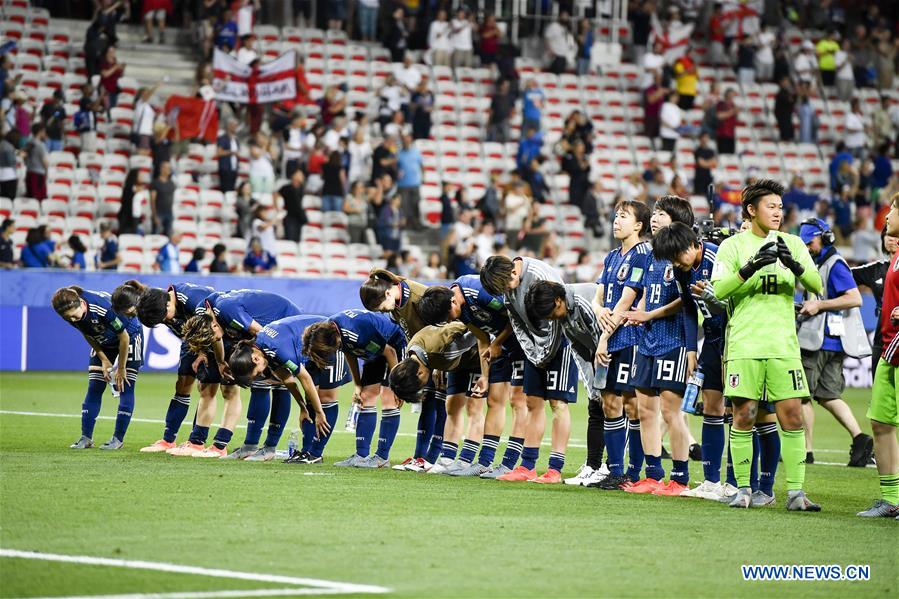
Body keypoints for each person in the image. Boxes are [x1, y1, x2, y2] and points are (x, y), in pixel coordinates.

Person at [710, 179, 824, 511]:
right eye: (770, 206)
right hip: (745, 344)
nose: (777, 212)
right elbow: (719, 292)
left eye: (779, 206)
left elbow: (816, 284)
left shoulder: (792, 243)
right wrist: (751, 267)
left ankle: (796, 493)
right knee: (743, 415)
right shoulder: (733, 246)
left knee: (792, 417)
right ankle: (743, 489)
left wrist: (795, 264)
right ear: (751, 210)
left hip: (783, 345)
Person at [616, 197, 698, 496]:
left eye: (661, 214)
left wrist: (649, 313)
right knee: (644, 410)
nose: (654, 218)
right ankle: (652, 474)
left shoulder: (682, 257)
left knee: (670, 412)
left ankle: (679, 478)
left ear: (677, 221)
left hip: (673, 340)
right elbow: (638, 293)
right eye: (655, 213)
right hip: (646, 340)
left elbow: (687, 300)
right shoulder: (646, 255)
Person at [480, 255, 579, 484]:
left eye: (506, 286)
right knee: (533, 403)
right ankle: (527, 466)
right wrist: (532, 352)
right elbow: (516, 322)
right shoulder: (507, 283)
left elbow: (557, 319)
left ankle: (555, 469)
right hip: (535, 350)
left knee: (558, 404)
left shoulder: (540, 277)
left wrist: (544, 354)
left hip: (561, 343)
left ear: (513, 273)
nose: (506, 291)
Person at [652, 222, 733, 501]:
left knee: (736, 408)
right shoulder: (681, 269)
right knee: (711, 406)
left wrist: (727, 349)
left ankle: (736, 483)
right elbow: (688, 306)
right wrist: (690, 349)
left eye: (677, 256)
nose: (675, 263)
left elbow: (732, 301)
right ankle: (711, 481)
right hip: (709, 338)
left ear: (692, 245)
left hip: (733, 338)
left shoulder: (717, 257)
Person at [114, 282, 242, 457]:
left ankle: (199, 441)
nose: (166, 321)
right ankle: (168, 440)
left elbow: (213, 329)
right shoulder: (159, 304)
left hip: (216, 339)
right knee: (182, 385)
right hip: (193, 341)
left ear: (168, 304)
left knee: (209, 388)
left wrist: (205, 352)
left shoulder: (193, 299)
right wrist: (198, 350)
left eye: (164, 318)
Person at [417, 277, 528, 478]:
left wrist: (498, 342)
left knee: (517, 400)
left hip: (524, 343)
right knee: (494, 400)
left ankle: (510, 464)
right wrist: (485, 375)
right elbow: (482, 338)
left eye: (449, 317)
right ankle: (484, 462)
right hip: (500, 346)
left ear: (452, 301)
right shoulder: (460, 309)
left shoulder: (480, 291)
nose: (451, 321)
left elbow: (516, 314)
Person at [182, 290, 303, 461]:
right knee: (259, 381)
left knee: (274, 382)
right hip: (265, 326)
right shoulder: (205, 313)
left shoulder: (228, 310)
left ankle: (269, 447)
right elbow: (216, 338)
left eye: (213, 337)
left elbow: (264, 336)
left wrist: (274, 361)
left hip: (283, 321)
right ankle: (250, 446)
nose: (216, 340)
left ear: (215, 326)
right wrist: (220, 362)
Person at [796, 218, 873, 467]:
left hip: (819, 340)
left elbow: (854, 298)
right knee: (829, 395)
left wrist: (819, 305)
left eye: (811, 242)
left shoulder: (834, 264)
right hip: (832, 341)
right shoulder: (821, 262)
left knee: (802, 396)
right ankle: (860, 438)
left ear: (825, 238)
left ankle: (806, 451)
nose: (808, 247)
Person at [591, 201, 651, 490]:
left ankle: (634, 472)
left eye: (623, 217)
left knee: (631, 404)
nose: (616, 221)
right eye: (615, 215)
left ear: (639, 225)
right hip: (610, 334)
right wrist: (598, 309)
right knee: (609, 401)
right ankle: (614, 471)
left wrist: (603, 338)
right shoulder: (612, 256)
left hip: (630, 338)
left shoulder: (643, 254)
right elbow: (597, 296)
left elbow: (627, 301)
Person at [228, 315, 342, 463]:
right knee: (310, 401)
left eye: (257, 373)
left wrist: (319, 413)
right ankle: (307, 453)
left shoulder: (276, 348)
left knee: (325, 399)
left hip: (329, 342)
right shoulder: (263, 347)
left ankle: (315, 455)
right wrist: (302, 408)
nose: (262, 375)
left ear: (255, 359)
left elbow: (304, 379)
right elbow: (288, 380)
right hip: (312, 351)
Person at [302, 310, 405, 468]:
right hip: (375, 349)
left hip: (394, 346)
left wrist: (397, 385)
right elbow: (350, 353)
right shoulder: (331, 330)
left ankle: (382, 457)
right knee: (365, 397)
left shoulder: (356, 332)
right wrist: (357, 384)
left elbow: (389, 352)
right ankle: (361, 456)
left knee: (388, 398)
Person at [52, 286, 143, 450]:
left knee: (125, 386)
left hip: (129, 335)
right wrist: (104, 360)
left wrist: (120, 368)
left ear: (82, 303)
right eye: (68, 317)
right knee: (94, 386)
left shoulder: (102, 308)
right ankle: (86, 438)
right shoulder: (69, 314)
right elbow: (86, 333)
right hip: (102, 340)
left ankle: (118, 439)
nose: (72, 320)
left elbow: (124, 337)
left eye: (73, 315)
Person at [857, 193, 899, 518]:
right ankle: (891, 499)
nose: (888, 217)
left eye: (894, 212)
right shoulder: (892, 260)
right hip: (888, 349)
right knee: (880, 421)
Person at [396, 134, 422, 229]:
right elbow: (395, 167)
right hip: (402, 184)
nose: (406, 142)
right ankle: (404, 225)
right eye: (404, 140)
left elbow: (421, 165)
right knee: (403, 206)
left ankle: (416, 224)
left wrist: (423, 177)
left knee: (415, 204)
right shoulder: (399, 153)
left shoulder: (416, 152)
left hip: (415, 183)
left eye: (408, 140)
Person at [276, 169, 307, 242]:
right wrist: (277, 207)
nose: (301, 177)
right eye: (299, 175)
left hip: (299, 216)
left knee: (297, 239)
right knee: (289, 238)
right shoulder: (286, 187)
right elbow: (275, 194)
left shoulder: (301, 188)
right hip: (289, 216)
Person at [149, 161, 175, 237]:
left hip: (169, 213)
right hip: (159, 213)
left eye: (169, 168)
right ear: (162, 169)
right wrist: (154, 215)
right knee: (156, 236)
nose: (169, 170)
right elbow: (152, 200)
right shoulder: (155, 183)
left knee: (169, 236)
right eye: (167, 168)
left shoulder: (171, 183)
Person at [25, 124, 48, 201]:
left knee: (30, 195)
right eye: (44, 131)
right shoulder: (40, 145)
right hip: (38, 173)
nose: (45, 133)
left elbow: (24, 156)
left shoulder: (29, 142)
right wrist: (47, 171)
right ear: (40, 132)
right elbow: (44, 161)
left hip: (29, 171)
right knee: (38, 197)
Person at [217, 118, 240, 193]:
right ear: (229, 126)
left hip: (234, 168)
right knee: (226, 189)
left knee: (232, 189)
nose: (235, 128)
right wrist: (231, 152)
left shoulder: (236, 139)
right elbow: (219, 152)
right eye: (234, 126)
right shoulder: (223, 138)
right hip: (225, 168)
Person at [693, 132, 717, 196]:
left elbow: (714, 163)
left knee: (709, 196)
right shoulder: (698, 150)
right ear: (700, 138)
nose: (706, 139)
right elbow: (701, 164)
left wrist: (706, 162)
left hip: (708, 176)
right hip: (700, 177)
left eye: (707, 137)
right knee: (700, 196)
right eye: (704, 137)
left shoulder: (711, 151)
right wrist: (709, 162)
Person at [715, 88, 738, 155]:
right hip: (722, 135)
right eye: (731, 96)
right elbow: (719, 116)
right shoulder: (721, 104)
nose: (732, 98)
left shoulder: (733, 105)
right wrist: (732, 112)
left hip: (731, 135)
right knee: (722, 156)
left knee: (731, 156)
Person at [773, 76, 796, 143]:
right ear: (781, 83)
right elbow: (788, 101)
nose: (787, 83)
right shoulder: (780, 93)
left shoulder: (788, 92)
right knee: (784, 130)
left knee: (789, 130)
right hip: (782, 115)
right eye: (785, 81)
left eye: (788, 82)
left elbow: (793, 101)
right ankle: (784, 142)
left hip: (788, 114)